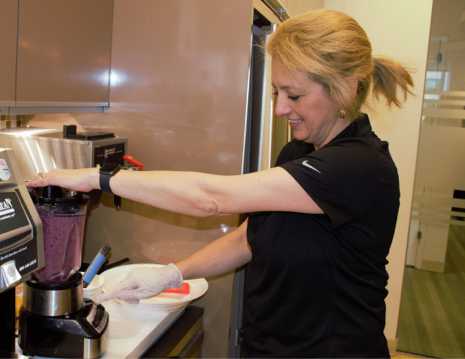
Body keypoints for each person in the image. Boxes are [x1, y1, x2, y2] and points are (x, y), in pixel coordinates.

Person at [26, 9, 414, 359]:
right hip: (265, 346)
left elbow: (212, 199)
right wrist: (173, 273)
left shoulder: (360, 165)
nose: (280, 108)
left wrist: (97, 178)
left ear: (347, 86)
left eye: (294, 95)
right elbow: (253, 235)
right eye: (276, 92)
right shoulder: (298, 151)